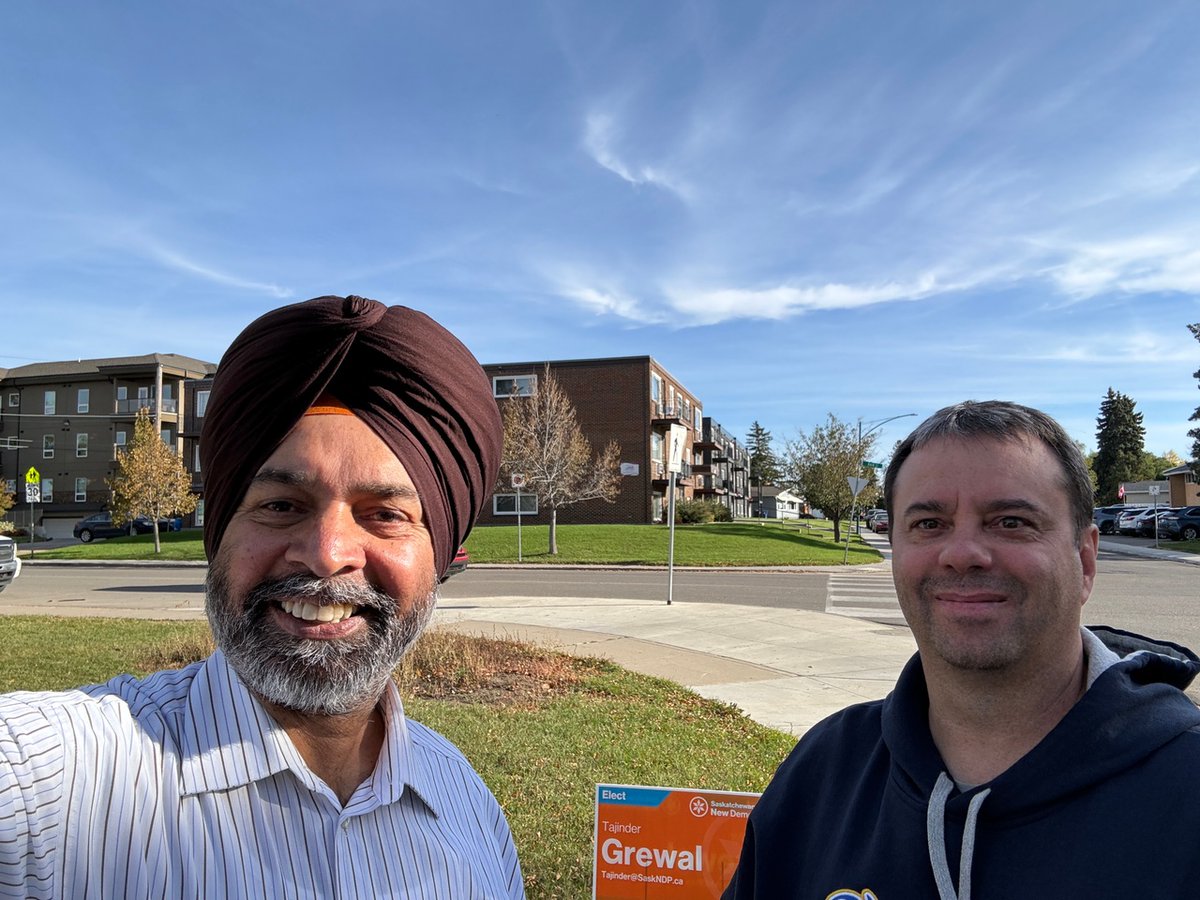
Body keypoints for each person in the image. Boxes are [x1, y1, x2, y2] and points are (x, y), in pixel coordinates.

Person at [0, 295, 525, 898]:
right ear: (220, 533)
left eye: (384, 514)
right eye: (280, 506)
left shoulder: (468, 807)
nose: (328, 553)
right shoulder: (46, 791)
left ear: (440, 556)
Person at [724, 400, 1200, 899]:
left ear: (1084, 560)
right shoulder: (823, 773)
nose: (962, 554)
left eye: (1011, 521)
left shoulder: (1186, 785)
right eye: (929, 524)